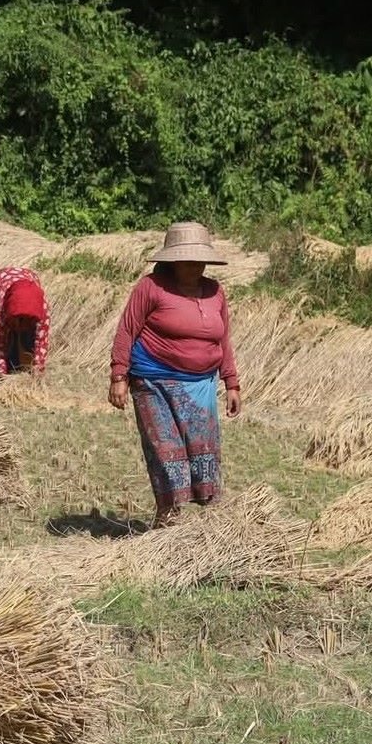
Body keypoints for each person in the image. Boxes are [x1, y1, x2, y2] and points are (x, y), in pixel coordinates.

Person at [107, 222, 243, 528]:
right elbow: (127, 330)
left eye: (199, 260)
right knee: (166, 452)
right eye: (188, 260)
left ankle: (201, 525)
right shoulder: (151, 287)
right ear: (172, 260)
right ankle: (166, 520)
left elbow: (223, 340)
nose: (195, 266)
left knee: (203, 452)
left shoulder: (215, 292)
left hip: (201, 387)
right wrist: (119, 376)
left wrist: (231, 382)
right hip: (153, 381)